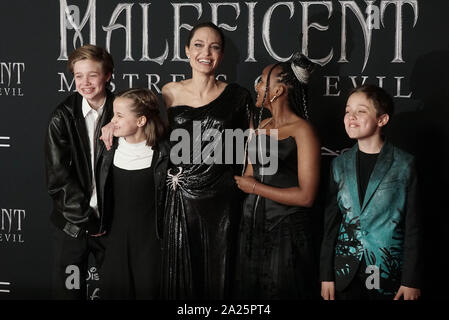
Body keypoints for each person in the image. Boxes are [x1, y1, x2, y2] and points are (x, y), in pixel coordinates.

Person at [160, 21, 253, 299]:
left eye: (214, 47)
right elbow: (147, 132)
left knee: (222, 274)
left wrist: (248, 178)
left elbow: (253, 142)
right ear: (187, 51)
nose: (206, 53)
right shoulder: (169, 92)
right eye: (199, 45)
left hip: (224, 199)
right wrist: (110, 126)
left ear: (222, 55)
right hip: (181, 198)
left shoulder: (238, 96)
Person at [320, 84, 422, 300]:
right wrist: (326, 275)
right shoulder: (339, 165)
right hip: (346, 272)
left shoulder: (404, 164)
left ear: (382, 120)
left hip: (387, 270)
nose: (351, 117)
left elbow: (414, 226)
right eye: (348, 111)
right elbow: (331, 224)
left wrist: (410, 280)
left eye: (361, 111)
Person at [233, 53, 321, 299]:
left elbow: (306, 196)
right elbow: (248, 175)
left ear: (278, 91)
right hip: (250, 229)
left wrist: (255, 188)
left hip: (285, 232)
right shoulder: (261, 127)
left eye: (262, 81)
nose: (257, 86)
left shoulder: (303, 131)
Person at [45, 44, 114, 299]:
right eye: (78, 76)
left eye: (92, 75)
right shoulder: (61, 117)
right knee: (69, 294)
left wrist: (106, 221)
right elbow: (58, 180)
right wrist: (87, 220)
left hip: (113, 227)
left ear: (107, 75)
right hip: (73, 228)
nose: (85, 83)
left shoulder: (125, 113)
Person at [97, 88, 169, 300]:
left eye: (119, 115)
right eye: (112, 115)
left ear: (140, 121)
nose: (112, 121)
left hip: (151, 247)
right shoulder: (107, 149)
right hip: (115, 244)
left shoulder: (165, 153)